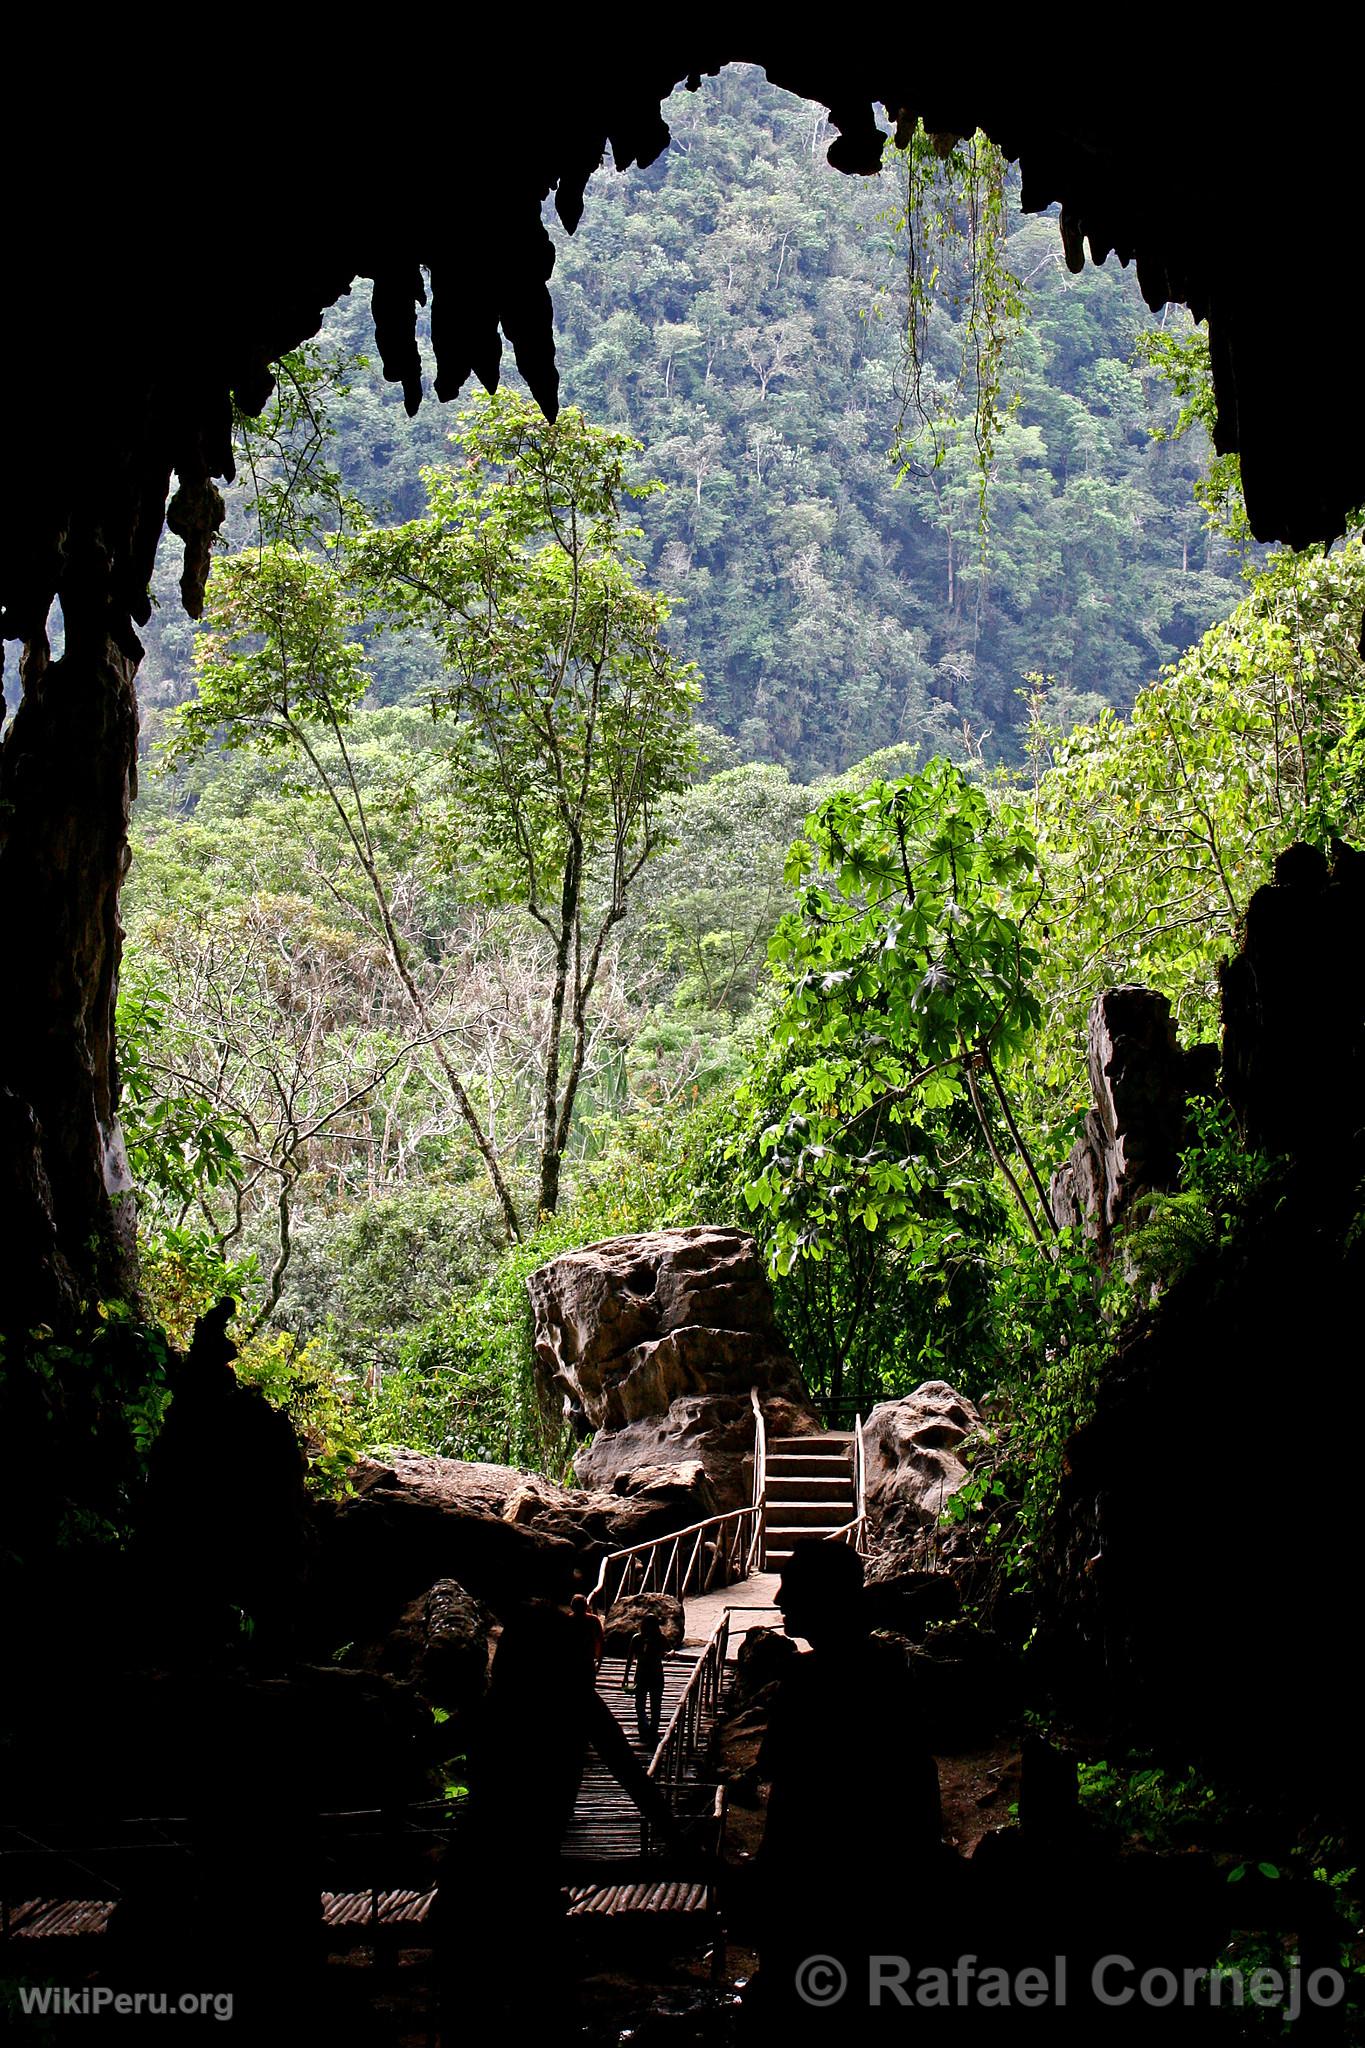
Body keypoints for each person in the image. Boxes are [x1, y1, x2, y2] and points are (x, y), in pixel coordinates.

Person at [621, 1612, 667, 1746]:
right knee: (642, 1703)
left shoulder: (659, 1638)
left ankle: (651, 1729)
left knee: (653, 1704)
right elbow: (630, 1658)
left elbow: (670, 1650)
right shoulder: (637, 1639)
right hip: (644, 1675)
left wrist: (670, 1654)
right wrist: (626, 1675)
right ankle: (645, 1726)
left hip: (653, 1675)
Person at [569, 1590, 605, 1673]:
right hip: (587, 1658)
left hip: (576, 1658)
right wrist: (599, 1659)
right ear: (586, 1606)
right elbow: (600, 1640)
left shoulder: (567, 1620)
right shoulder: (594, 1620)